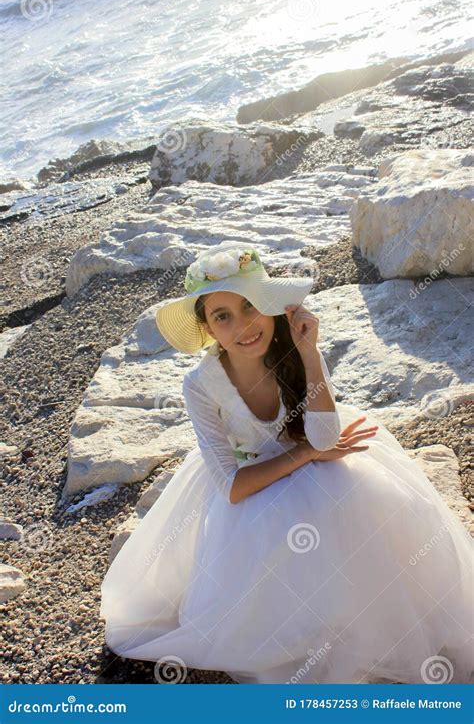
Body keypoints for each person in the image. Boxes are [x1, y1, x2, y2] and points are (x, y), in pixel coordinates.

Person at [100, 240, 473, 684]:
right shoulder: (200, 385)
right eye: (223, 316)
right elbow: (234, 488)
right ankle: (308, 630)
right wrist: (307, 454)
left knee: (359, 498)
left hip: (312, 450)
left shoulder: (293, 350)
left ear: (272, 306)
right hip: (251, 476)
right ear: (208, 328)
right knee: (278, 539)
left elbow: (325, 436)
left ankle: (361, 618)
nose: (243, 325)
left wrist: (311, 354)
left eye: (251, 306)